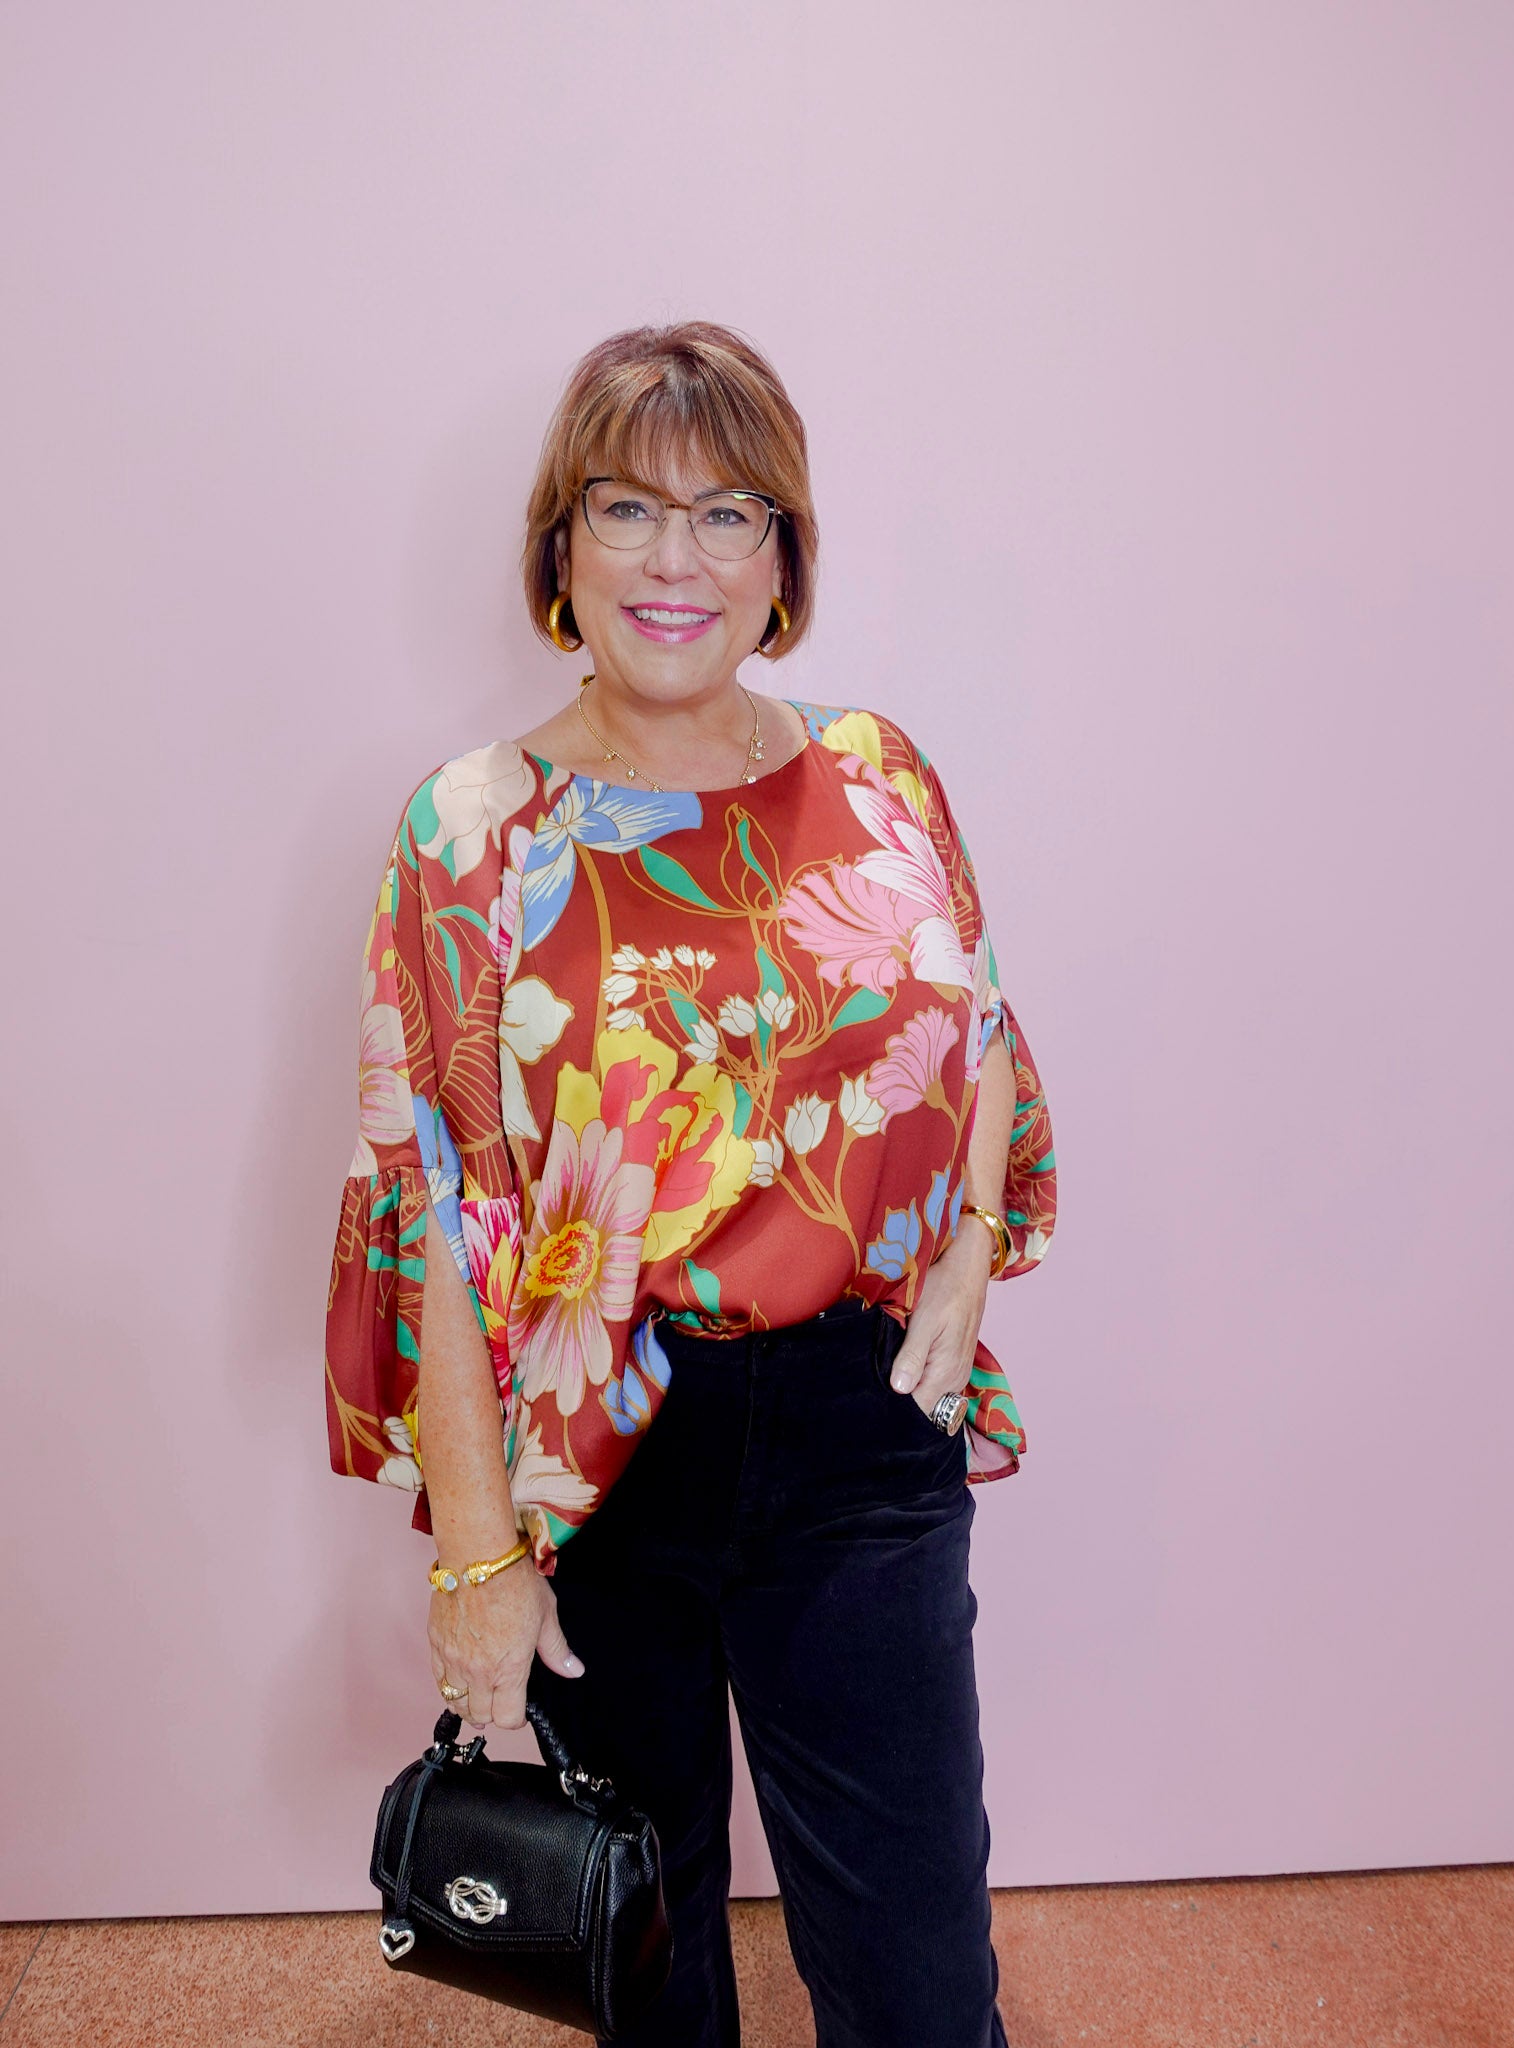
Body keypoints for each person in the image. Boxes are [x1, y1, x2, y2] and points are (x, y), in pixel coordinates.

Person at [324, 320, 1057, 2048]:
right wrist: (478, 1564)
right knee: (649, 1975)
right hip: (604, 1459)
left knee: (922, 1982)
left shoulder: (879, 773)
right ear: (562, 549)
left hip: (863, 1428)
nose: (679, 560)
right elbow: (426, 1219)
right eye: (630, 510)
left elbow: (978, 1032)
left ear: (782, 558)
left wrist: (966, 1254)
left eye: (730, 515)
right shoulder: (469, 833)